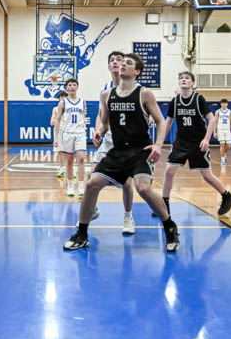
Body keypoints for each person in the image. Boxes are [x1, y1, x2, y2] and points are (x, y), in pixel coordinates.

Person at [63, 53, 179, 252]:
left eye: (128, 63)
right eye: (122, 62)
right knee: (91, 184)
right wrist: (99, 132)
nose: (123, 64)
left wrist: (158, 145)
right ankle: (82, 234)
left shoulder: (144, 94)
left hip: (140, 151)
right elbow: (105, 123)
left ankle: (170, 227)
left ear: (137, 72)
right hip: (118, 151)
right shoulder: (106, 95)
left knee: (143, 188)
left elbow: (161, 121)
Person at [160, 71, 231, 217]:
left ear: (193, 83)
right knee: (169, 171)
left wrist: (206, 139)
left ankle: (227, 196)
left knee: (206, 175)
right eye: (181, 78)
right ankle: (164, 205)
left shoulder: (198, 99)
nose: (183, 80)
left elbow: (212, 120)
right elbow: (168, 122)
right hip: (181, 142)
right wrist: (160, 141)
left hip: (198, 142)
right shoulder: (175, 101)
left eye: (187, 78)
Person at [92, 50, 136, 233]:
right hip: (109, 140)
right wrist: (98, 130)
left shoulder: (135, 88)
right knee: (91, 175)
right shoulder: (106, 90)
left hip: (128, 143)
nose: (116, 62)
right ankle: (92, 209)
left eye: (120, 59)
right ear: (109, 66)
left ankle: (128, 216)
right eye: (112, 60)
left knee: (127, 183)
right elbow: (101, 116)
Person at [54, 78, 88, 197]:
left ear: (77, 87)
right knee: (69, 161)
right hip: (67, 133)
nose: (72, 86)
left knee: (81, 159)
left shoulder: (82, 102)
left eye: (74, 84)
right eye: (70, 85)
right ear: (66, 88)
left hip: (80, 133)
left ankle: (81, 186)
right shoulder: (63, 102)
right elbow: (57, 120)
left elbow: (83, 117)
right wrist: (56, 138)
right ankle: (70, 186)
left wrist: (84, 128)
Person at [51, 90, 68, 180]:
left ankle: (70, 169)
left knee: (70, 152)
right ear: (59, 98)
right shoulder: (55, 109)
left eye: (64, 97)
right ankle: (61, 169)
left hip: (68, 131)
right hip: (59, 131)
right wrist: (58, 119)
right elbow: (51, 122)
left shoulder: (70, 108)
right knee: (60, 152)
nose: (63, 98)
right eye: (61, 97)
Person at [213, 98, 231, 165]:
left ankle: (224, 153)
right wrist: (214, 132)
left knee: (229, 145)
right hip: (220, 130)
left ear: (227, 104)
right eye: (223, 103)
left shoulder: (230, 112)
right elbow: (215, 122)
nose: (224, 104)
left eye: (225, 103)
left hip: (227, 130)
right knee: (222, 145)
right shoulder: (217, 111)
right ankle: (222, 159)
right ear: (221, 104)